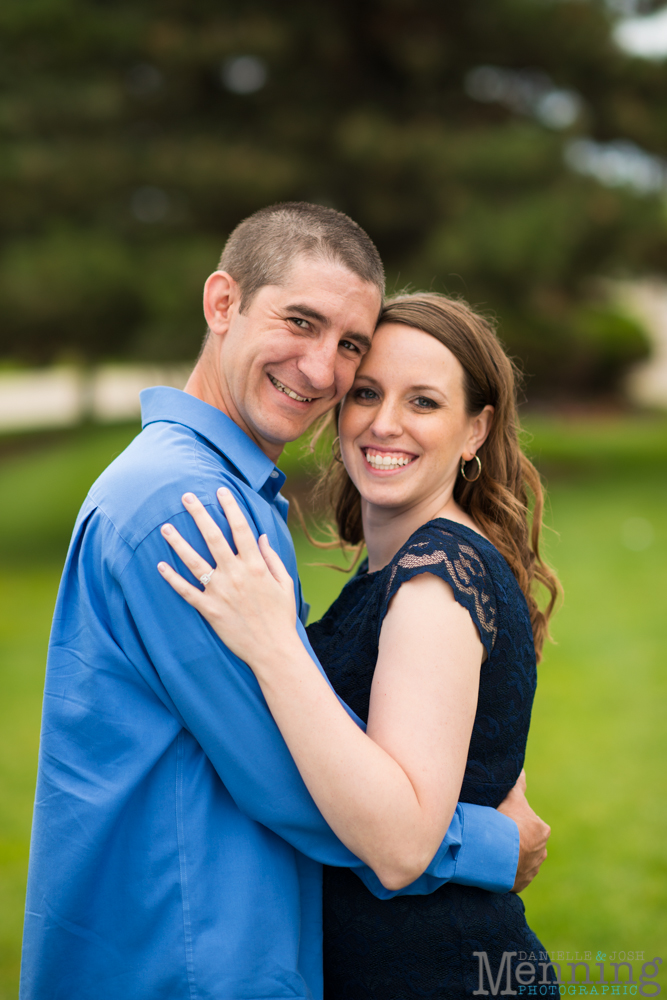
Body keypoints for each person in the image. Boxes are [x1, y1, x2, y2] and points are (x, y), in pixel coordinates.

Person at [21, 204, 549, 1000]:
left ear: (474, 430)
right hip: (188, 955)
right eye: (299, 323)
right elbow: (288, 778)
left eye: (345, 346)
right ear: (222, 303)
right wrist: (485, 839)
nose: (318, 370)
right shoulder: (190, 508)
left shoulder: (226, 494)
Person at [157, 291, 560, 998]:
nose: (384, 423)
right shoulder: (405, 567)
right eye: (366, 393)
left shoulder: (435, 579)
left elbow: (401, 849)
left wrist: (272, 642)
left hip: (436, 975)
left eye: (424, 403)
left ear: (475, 430)